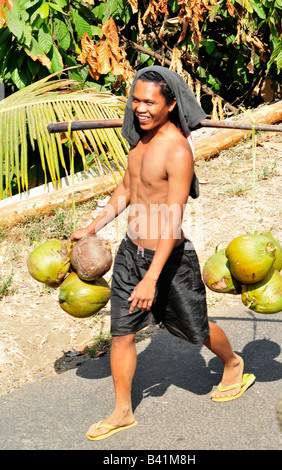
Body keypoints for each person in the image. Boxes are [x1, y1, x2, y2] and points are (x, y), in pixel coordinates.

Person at [70, 66, 255, 441]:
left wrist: (152, 278)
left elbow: (171, 222)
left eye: (149, 102)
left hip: (168, 260)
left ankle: (233, 364)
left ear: (170, 104)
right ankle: (122, 411)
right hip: (129, 254)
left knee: (196, 329)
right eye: (136, 100)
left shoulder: (177, 151)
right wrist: (94, 225)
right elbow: (127, 188)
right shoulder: (138, 140)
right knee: (121, 333)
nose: (140, 108)